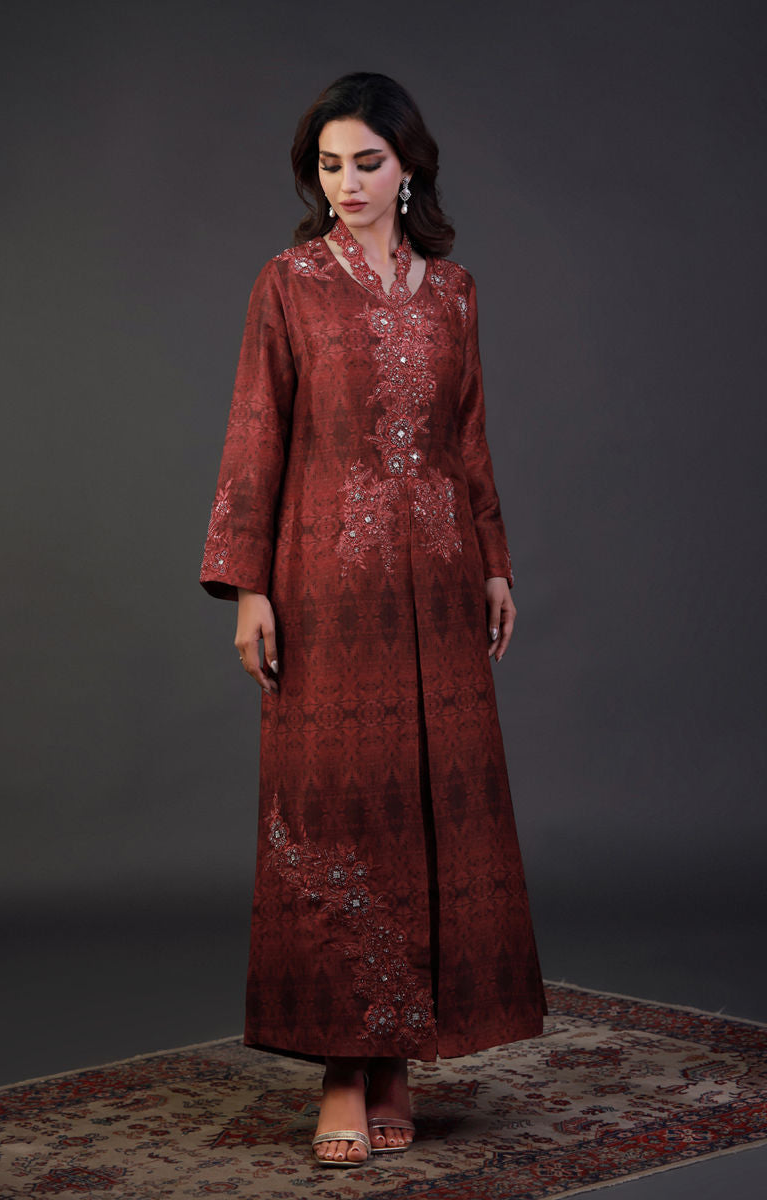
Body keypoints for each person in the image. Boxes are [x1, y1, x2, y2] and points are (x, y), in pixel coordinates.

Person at [200, 71, 548, 1168]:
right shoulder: (289, 283)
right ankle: (344, 1067)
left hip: (439, 586)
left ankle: (400, 1060)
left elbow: (468, 438)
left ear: (409, 170)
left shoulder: (453, 293)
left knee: (430, 811)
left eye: (367, 162)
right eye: (329, 165)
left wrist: (494, 564)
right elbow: (255, 431)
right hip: (327, 584)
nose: (346, 183)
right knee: (338, 811)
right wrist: (248, 587)